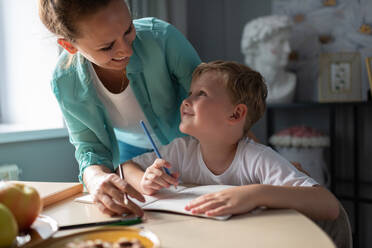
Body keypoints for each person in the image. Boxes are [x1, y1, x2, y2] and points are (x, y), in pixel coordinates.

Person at [37, 0, 202, 216]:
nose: (126, 50)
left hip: (192, 146)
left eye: (128, 29)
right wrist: (96, 179)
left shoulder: (162, 38)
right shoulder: (65, 82)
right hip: (129, 160)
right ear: (69, 46)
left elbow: (216, 100)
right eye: (107, 46)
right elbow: (90, 150)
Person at [122, 60, 339, 220]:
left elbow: (328, 205)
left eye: (202, 94)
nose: (187, 100)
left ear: (235, 115)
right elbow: (124, 166)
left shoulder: (257, 158)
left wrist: (255, 194)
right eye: (190, 92)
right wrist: (143, 179)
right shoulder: (180, 151)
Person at [241, 15, 296, 103]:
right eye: (281, 42)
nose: (288, 49)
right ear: (257, 46)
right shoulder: (243, 85)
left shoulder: (291, 81)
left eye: (287, 42)